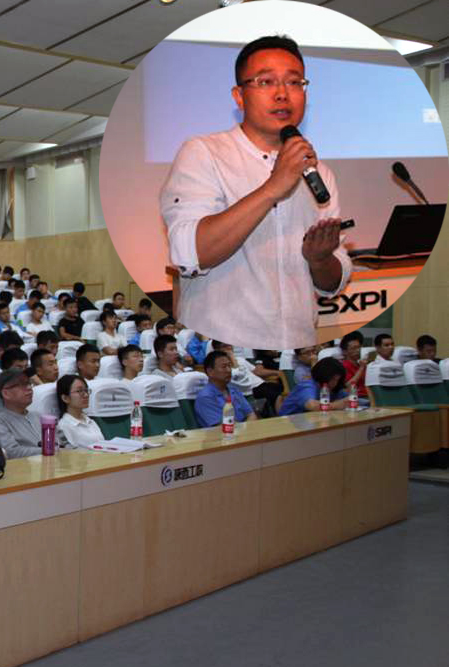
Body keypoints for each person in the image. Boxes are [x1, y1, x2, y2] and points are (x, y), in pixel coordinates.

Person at [160, 35, 351, 349]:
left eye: (294, 82)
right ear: (239, 96)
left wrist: (320, 260)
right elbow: (188, 254)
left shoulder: (321, 173)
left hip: (298, 346)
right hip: (222, 350)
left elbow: (331, 284)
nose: (282, 94)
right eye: (265, 82)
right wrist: (273, 188)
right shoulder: (203, 153)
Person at [0, 368, 50, 458]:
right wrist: (48, 450)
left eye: (29, 383)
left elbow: (60, 443)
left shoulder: (39, 416)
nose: (29, 388)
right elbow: (11, 452)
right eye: (22, 385)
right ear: (6, 393)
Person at [194, 350, 258, 427]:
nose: (229, 370)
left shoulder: (234, 390)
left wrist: (246, 428)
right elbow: (223, 426)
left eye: (229, 366)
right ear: (210, 371)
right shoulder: (205, 397)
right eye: (224, 367)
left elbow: (251, 414)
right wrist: (246, 428)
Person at [280, 356, 350, 415]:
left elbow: (347, 400)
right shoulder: (307, 386)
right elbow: (312, 405)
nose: (334, 383)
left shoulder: (334, 388)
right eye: (332, 379)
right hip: (288, 422)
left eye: (337, 380)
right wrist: (336, 405)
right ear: (323, 375)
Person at [56, 375, 105, 449]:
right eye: (79, 391)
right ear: (65, 398)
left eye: (86, 390)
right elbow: (70, 453)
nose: (86, 395)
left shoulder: (90, 421)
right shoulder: (63, 426)